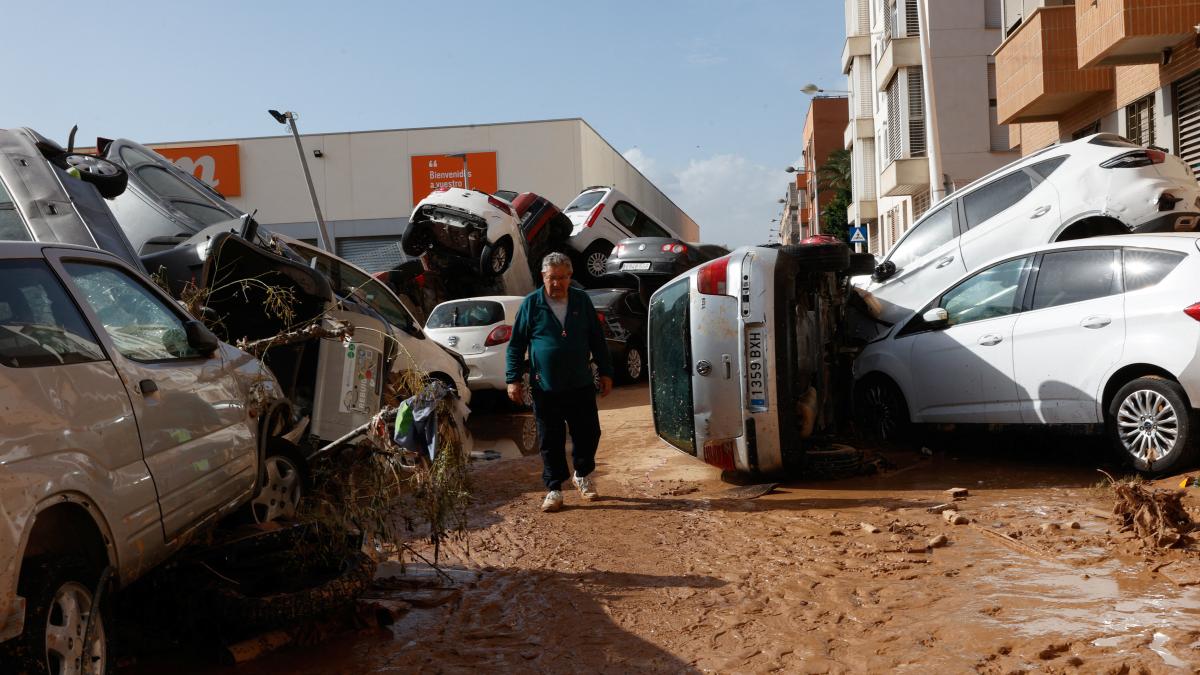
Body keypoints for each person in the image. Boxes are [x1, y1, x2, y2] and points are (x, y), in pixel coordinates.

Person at [506, 252, 614, 512]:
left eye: (562, 278)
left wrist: (606, 371)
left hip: (580, 383)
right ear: (543, 277)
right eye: (552, 278)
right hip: (546, 387)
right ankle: (554, 489)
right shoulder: (531, 304)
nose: (557, 283)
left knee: (589, 433)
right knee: (550, 439)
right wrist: (513, 379)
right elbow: (516, 344)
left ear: (570, 277)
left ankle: (582, 474)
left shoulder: (581, 300)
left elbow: (597, 339)